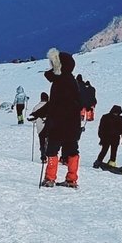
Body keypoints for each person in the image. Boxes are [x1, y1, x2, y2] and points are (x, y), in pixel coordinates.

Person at [31, 49, 85, 188]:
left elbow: (54, 104)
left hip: (58, 124)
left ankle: (50, 178)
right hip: (72, 125)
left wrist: (39, 113)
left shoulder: (60, 82)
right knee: (72, 150)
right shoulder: (71, 81)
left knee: (52, 151)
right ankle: (72, 179)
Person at [94, 104, 122, 169]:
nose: (116, 114)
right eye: (115, 112)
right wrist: (101, 138)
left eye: (117, 113)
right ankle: (98, 162)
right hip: (106, 138)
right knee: (104, 150)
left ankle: (112, 163)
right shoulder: (105, 117)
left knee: (114, 152)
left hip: (116, 138)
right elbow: (101, 128)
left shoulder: (120, 118)